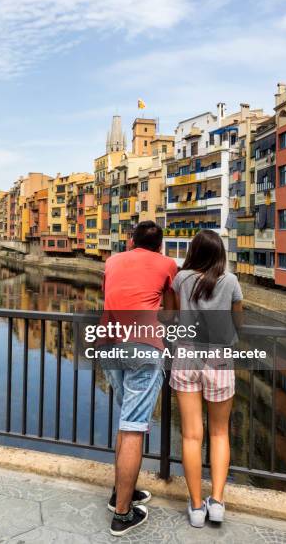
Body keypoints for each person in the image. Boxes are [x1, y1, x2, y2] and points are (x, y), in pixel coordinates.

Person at [102, 220, 177, 537]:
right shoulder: (167, 264)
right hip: (143, 346)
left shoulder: (112, 260)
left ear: (131, 241)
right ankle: (122, 514)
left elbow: (109, 294)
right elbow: (173, 312)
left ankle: (123, 491)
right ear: (160, 245)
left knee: (125, 420)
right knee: (133, 427)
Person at [170, 229, 243, 528]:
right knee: (219, 433)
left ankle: (197, 507)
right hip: (219, 357)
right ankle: (218, 503)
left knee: (191, 435)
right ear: (220, 254)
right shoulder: (231, 281)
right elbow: (238, 321)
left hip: (187, 355)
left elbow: (173, 315)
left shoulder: (181, 279)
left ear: (194, 252)